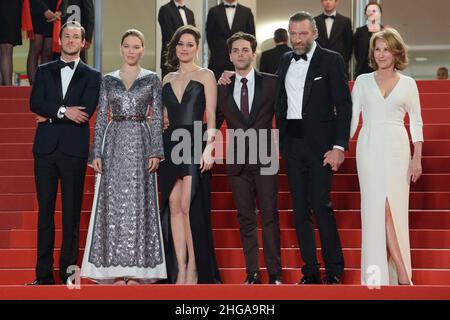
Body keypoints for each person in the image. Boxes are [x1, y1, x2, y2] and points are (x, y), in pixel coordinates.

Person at [80, 29, 167, 285]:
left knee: (141, 202)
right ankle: (113, 270)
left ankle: (139, 271)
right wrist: (96, 151)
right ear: (121, 49)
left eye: (136, 46)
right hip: (114, 139)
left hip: (141, 140)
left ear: (143, 49)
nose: (131, 50)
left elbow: (157, 117)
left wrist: (156, 150)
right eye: (127, 46)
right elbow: (101, 117)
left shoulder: (152, 79)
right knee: (112, 204)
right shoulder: (108, 80)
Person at [275, 12, 352, 284]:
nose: (297, 39)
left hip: (321, 147)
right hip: (292, 145)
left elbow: (344, 105)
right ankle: (310, 271)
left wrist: (339, 146)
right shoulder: (284, 60)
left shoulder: (332, 60)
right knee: (299, 209)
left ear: (315, 33)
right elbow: (277, 96)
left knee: (320, 205)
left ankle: (334, 269)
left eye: (303, 34)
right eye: (293, 33)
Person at [27, 21, 101, 285]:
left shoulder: (93, 75)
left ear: (84, 42)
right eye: (66, 36)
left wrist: (50, 114)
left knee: (71, 214)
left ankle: (69, 274)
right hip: (45, 150)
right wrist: (64, 111)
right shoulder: (44, 70)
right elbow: (35, 102)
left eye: (76, 37)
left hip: (73, 150)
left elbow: (86, 112)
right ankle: (43, 276)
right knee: (45, 213)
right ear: (60, 40)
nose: (71, 40)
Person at [351, 28, 423, 286]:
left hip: (397, 149)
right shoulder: (361, 81)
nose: (381, 54)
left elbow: (416, 122)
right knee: (376, 211)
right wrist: (334, 145)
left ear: (396, 52)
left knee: (393, 210)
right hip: (369, 147)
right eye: (377, 49)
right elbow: (351, 121)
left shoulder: (409, 84)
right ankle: (387, 276)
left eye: (386, 49)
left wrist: (417, 157)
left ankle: (397, 274)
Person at [216, 32, 282, 285]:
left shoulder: (272, 83)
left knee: (269, 215)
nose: (241, 54)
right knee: (245, 217)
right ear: (230, 56)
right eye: (236, 50)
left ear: (254, 54)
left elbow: (284, 117)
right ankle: (253, 273)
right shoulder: (222, 86)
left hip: (265, 156)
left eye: (245, 50)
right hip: (237, 161)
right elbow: (214, 122)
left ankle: (274, 273)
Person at [159, 25, 221, 284]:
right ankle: (181, 268)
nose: (184, 48)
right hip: (170, 144)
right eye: (180, 44)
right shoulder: (166, 79)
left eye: (190, 44)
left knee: (188, 205)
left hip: (195, 141)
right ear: (175, 48)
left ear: (197, 48)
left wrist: (209, 148)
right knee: (174, 206)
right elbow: (163, 119)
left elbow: (213, 117)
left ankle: (195, 267)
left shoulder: (206, 75)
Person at [206, 0, 255, 79]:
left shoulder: (247, 12)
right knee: (217, 89)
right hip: (218, 61)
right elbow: (209, 36)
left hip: (241, 62)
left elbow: (251, 37)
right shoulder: (213, 11)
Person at [27, 0, 68, 85]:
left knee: (48, 51)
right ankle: (33, 86)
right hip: (38, 10)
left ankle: (44, 85)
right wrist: (44, 10)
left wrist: (60, 11)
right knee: (36, 49)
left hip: (54, 11)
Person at [158, 0, 196, 78]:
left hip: (188, 62)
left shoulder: (190, 13)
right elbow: (169, 36)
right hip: (171, 60)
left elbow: (194, 35)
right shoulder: (165, 9)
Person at [315, 0, 353, 75]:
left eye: (331, 0)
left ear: (337, 2)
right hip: (319, 63)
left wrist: (344, 61)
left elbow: (349, 45)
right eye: (325, 0)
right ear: (321, 2)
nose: (328, 2)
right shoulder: (315, 21)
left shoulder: (345, 21)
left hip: (339, 63)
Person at [353, 1, 383, 79]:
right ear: (365, 14)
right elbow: (356, 51)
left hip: (381, 69)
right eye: (369, 11)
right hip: (363, 70)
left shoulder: (384, 31)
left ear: (380, 13)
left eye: (374, 11)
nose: (371, 13)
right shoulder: (359, 31)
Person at [0, 0, 22, 85]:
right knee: (5, 46)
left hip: (12, 6)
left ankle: (6, 90)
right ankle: (8, 90)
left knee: (6, 46)